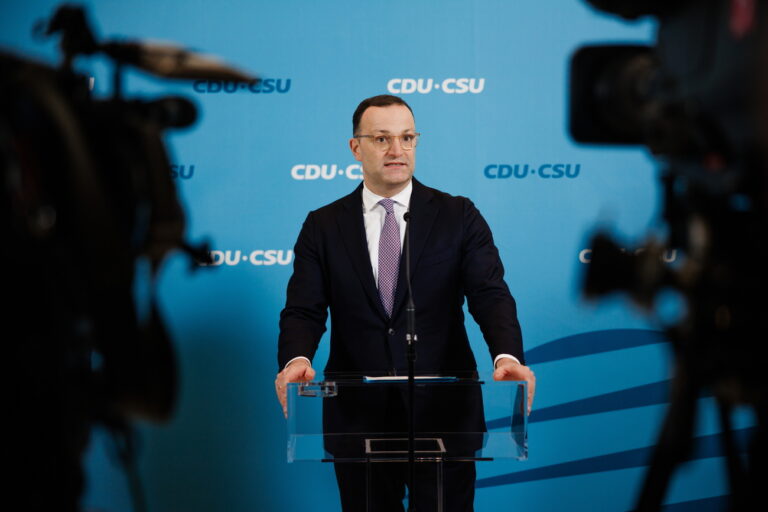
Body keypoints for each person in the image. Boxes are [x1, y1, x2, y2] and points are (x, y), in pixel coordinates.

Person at [275, 94, 536, 511]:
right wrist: (296, 359)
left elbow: (489, 293)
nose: (397, 150)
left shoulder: (458, 215)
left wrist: (507, 355)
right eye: (382, 138)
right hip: (358, 416)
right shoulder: (323, 225)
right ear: (355, 147)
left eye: (407, 138)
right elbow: (304, 308)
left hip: (444, 414)